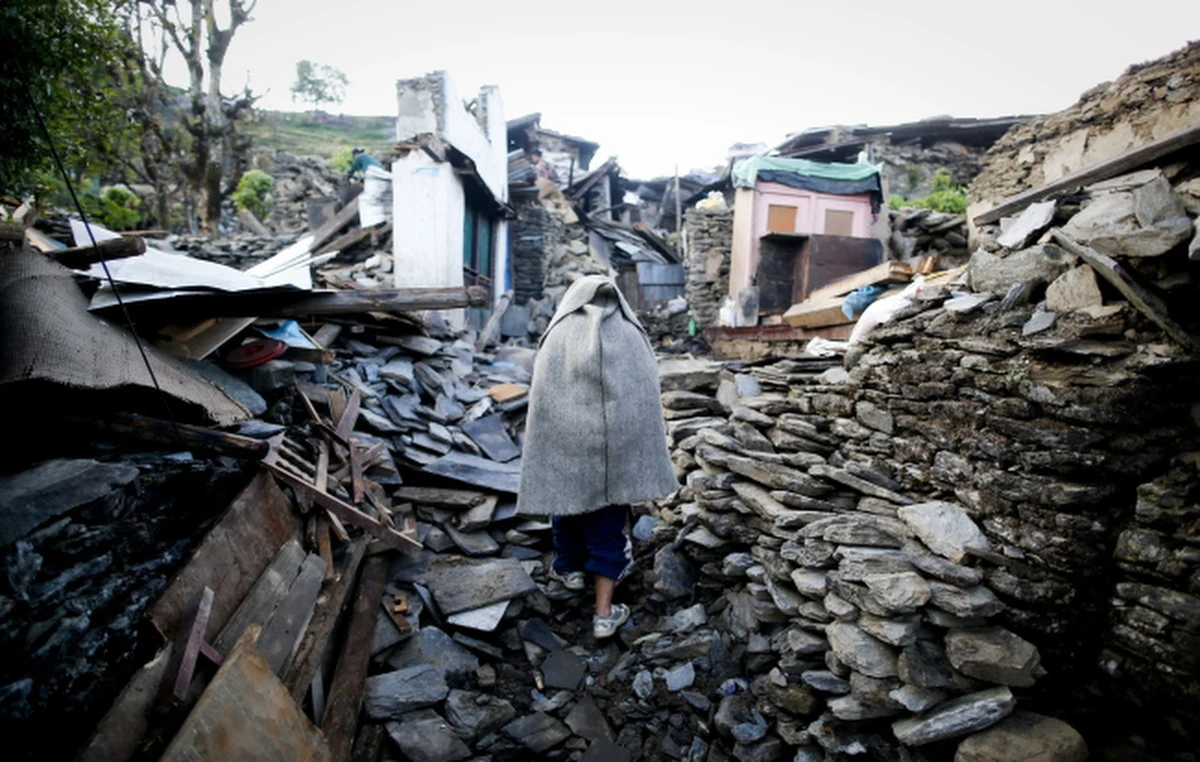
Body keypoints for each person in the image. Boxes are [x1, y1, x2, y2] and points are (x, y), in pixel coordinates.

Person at [517, 275, 679, 639]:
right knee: (608, 528)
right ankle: (604, 614)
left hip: (566, 448)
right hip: (615, 457)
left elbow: (541, 398)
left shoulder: (559, 333)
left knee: (565, 506)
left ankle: (569, 571)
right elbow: (644, 399)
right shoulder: (630, 334)